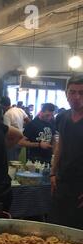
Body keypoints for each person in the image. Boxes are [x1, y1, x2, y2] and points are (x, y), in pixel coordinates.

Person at [49, 75, 83, 230]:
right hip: (62, 182)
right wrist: (53, 172)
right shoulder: (62, 117)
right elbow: (60, 145)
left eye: (82, 93)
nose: (76, 97)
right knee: (57, 229)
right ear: (66, 93)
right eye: (73, 92)